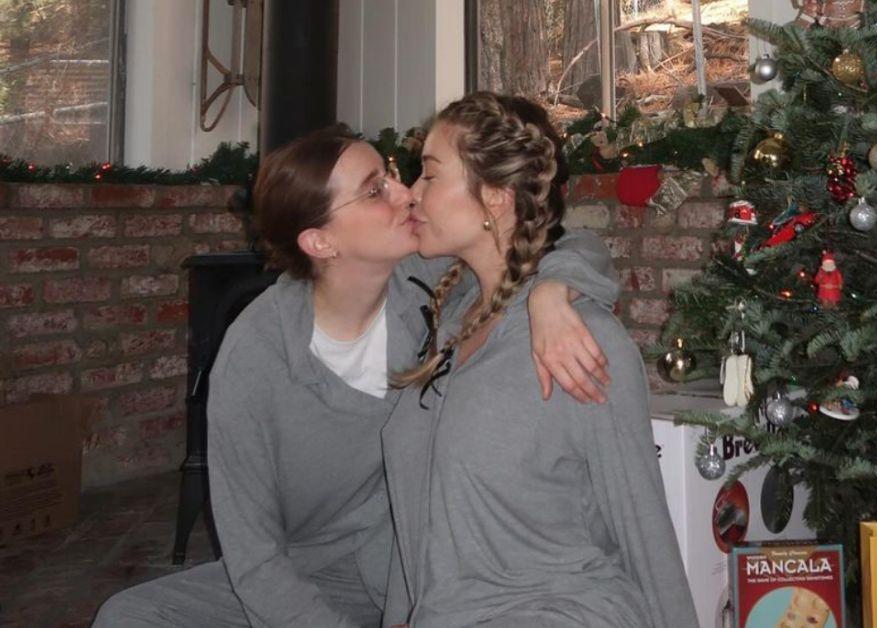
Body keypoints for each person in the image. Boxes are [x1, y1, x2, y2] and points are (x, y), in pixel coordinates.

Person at [92, 125, 619, 628]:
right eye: (375, 191)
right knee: (129, 616)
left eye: (391, 173)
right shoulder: (256, 355)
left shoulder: (428, 285)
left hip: (420, 562)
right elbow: (254, 557)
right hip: (310, 573)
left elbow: (568, 243)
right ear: (321, 242)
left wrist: (552, 293)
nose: (406, 193)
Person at [382, 93, 698, 628]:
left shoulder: (581, 341)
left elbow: (641, 524)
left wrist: (553, 291)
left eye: (430, 176)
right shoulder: (449, 315)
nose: (413, 193)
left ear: (496, 199)